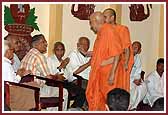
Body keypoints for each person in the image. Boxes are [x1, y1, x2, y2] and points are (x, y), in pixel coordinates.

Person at [20, 34, 68, 111]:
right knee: (64, 92)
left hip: (25, 89)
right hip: (36, 90)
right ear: (36, 44)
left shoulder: (28, 54)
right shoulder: (39, 56)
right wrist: (57, 77)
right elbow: (49, 77)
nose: (46, 44)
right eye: (43, 42)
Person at [86, 12, 123, 110]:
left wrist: (111, 73)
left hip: (108, 75)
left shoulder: (109, 31)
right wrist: (94, 54)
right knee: (99, 100)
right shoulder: (102, 32)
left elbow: (118, 54)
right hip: (100, 74)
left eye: (91, 22)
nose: (91, 26)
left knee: (109, 101)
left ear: (96, 21)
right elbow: (104, 53)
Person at [47, 41, 86, 109]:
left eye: (62, 50)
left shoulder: (65, 61)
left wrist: (65, 68)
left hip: (66, 82)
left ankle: (73, 108)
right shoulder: (50, 60)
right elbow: (49, 75)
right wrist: (61, 67)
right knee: (67, 93)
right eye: (57, 50)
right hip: (55, 83)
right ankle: (66, 109)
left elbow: (69, 76)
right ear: (54, 51)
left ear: (64, 51)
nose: (60, 52)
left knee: (82, 92)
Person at [103, 8, 134, 93]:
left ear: (112, 18)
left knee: (114, 88)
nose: (103, 19)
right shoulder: (104, 30)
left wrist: (126, 63)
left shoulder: (122, 29)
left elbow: (127, 48)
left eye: (105, 17)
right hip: (106, 63)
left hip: (118, 63)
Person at [128, 41, 147, 110]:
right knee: (133, 87)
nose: (133, 49)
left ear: (139, 51)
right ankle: (129, 106)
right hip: (126, 79)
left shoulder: (138, 58)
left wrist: (137, 79)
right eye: (132, 46)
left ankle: (134, 106)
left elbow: (138, 71)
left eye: (135, 48)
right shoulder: (126, 56)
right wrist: (133, 80)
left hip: (133, 79)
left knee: (143, 86)